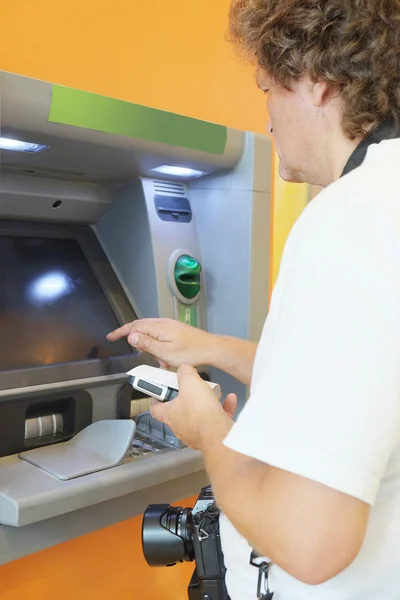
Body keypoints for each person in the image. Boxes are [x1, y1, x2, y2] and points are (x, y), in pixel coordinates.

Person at [107, 1, 400, 597]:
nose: (264, 117)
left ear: (319, 82)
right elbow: (365, 372)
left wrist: (208, 430)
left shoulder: (348, 218)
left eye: (267, 88)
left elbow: (312, 542)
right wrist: (213, 346)